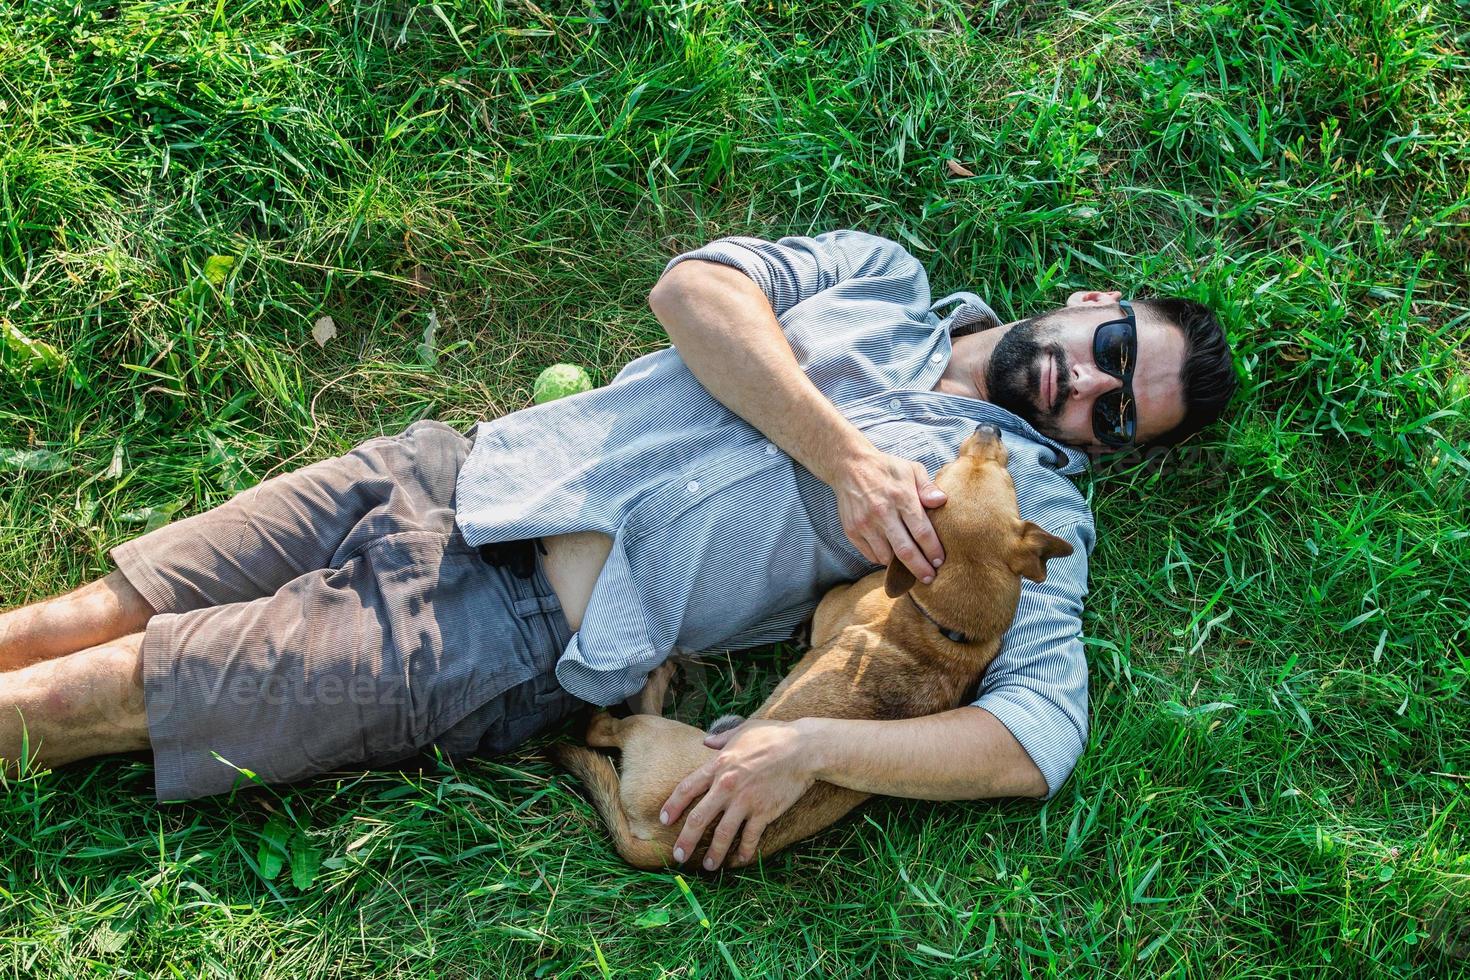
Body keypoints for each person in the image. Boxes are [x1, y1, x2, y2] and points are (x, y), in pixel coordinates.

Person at [0, 231, 1235, 869]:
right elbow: (693, 291)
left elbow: (1033, 745)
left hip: (513, 629)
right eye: (1114, 349)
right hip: (453, 465)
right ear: (1091, 299)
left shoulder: (1037, 530)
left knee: (100, 693)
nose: (1086, 386)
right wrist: (845, 461)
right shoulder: (883, 278)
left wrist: (797, 742)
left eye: (1116, 412)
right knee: (79, 613)